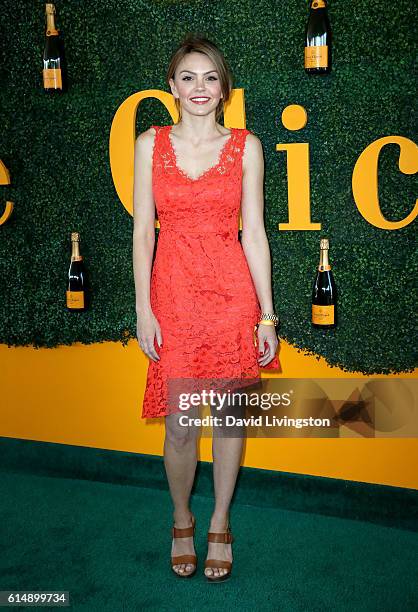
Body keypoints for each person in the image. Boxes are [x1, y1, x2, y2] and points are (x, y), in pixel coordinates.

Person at [132, 33, 280, 582]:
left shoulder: (247, 147)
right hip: (172, 294)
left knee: (230, 417)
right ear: (172, 87)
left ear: (224, 90)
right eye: (188, 77)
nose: (199, 87)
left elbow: (256, 235)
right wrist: (145, 308)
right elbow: (143, 232)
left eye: (210, 77)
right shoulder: (150, 145)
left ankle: (219, 523)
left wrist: (266, 314)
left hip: (231, 295)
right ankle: (180, 518)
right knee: (180, 425)